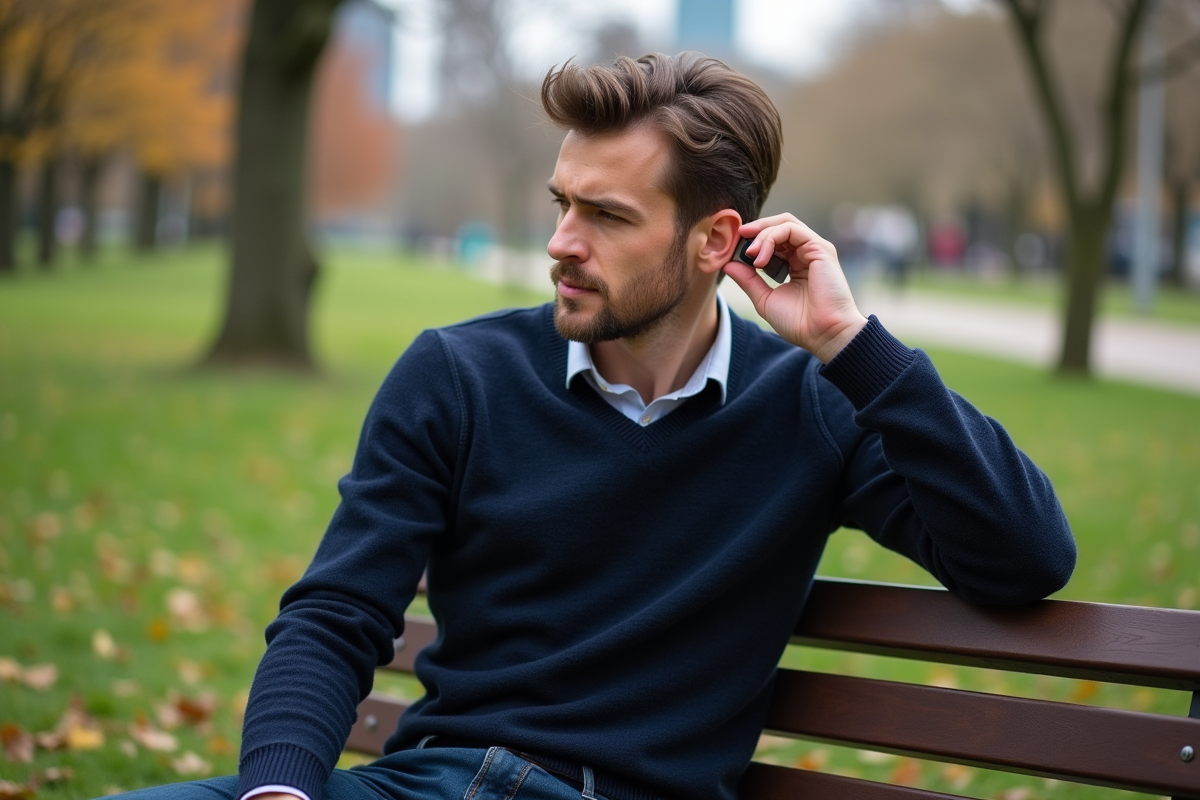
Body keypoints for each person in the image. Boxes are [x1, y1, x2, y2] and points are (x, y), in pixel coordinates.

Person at [123, 53, 1075, 800]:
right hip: (432, 786)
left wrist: (849, 343)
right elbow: (335, 618)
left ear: (714, 240)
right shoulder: (458, 374)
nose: (561, 242)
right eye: (561, 203)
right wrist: (282, 791)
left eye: (606, 215)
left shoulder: (814, 402)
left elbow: (1024, 554)